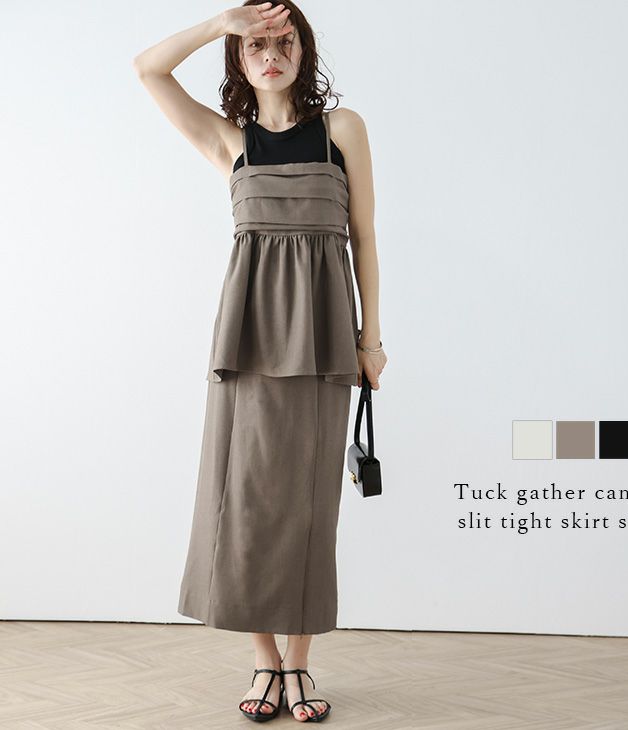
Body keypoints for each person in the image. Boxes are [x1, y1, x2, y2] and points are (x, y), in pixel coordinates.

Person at [133, 0, 386, 722]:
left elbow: (365, 237)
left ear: (304, 51)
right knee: (243, 502)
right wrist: (222, 23)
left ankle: (299, 664)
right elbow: (148, 70)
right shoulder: (229, 141)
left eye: (284, 42)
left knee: (308, 507)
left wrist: (371, 339)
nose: (270, 55)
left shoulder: (342, 130)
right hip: (246, 343)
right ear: (240, 59)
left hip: (325, 341)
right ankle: (264, 662)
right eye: (256, 46)